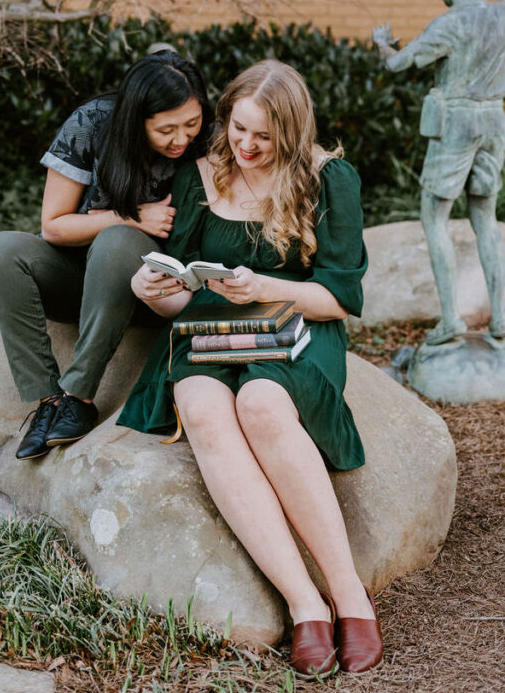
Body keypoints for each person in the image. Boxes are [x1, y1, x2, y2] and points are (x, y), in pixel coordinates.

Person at [118, 60, 383, 678]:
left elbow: (339, 297)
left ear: (291, 133)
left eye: (264, 137)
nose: (246, 146)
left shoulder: (329, 180)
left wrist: (264, 285)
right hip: (208, 330)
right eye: (238, 128)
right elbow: (183, 286)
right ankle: (305, 604)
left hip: (296, 329)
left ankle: (349, 597)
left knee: (262, 405)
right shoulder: (200, 177)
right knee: (207, 410)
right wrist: (153, 290)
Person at [0, 50, 213, 460]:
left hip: (155, 293)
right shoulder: (92, 124)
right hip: (82, 282)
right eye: (166, 129)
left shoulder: (211, 138)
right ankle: (49, 400)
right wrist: (131, 215)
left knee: (118, 241)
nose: (181, 139)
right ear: (136, 119)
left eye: (191, 124)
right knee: (1, 251)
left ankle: (80, 395)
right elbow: (54, 225)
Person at [373, 0, 505, 345]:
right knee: (486, 221)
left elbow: (398, 65)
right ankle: (501, 318)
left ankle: (451, 319)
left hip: (457, 124)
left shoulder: (448, 24)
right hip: (494, 121)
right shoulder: (500, 15)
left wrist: (382, 45)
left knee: (435, 218)